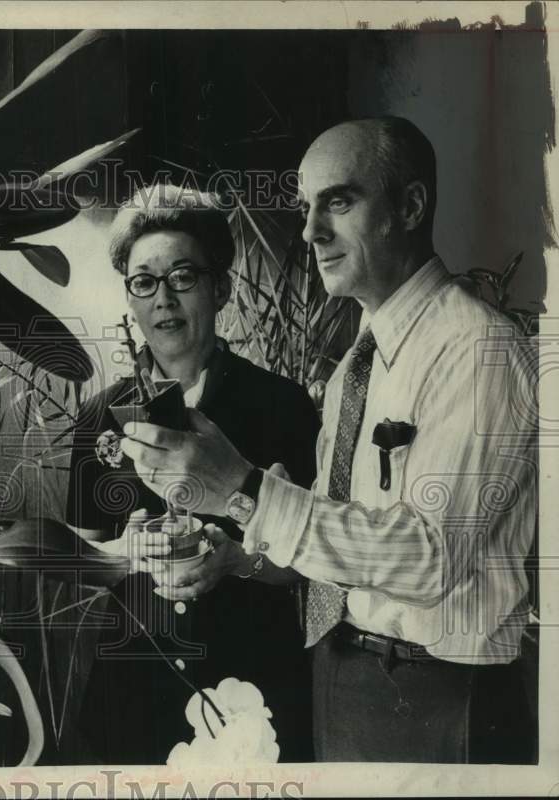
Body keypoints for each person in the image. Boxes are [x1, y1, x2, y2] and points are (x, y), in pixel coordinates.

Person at [120, 117, 538, 763]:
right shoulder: (354, 369)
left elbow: (430, 559)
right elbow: (334, 551)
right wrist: (236, 540)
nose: (311, 231)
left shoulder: (480, 350)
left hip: (440, 696)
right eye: (305, 207)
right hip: (341, 677)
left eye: (338, 202)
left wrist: (245, 485)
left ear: (411, 206)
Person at [65, 183, 320, 764]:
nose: (163, 299)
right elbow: (82, 557)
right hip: (133, 694)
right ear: (129, 296)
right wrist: (123, 554)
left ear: (221, 288)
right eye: (144, 282)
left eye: (183, 276)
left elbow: (309, 567)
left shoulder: (284, 406)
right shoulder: (98, 415)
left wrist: (237, 558)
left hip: (253, 689)